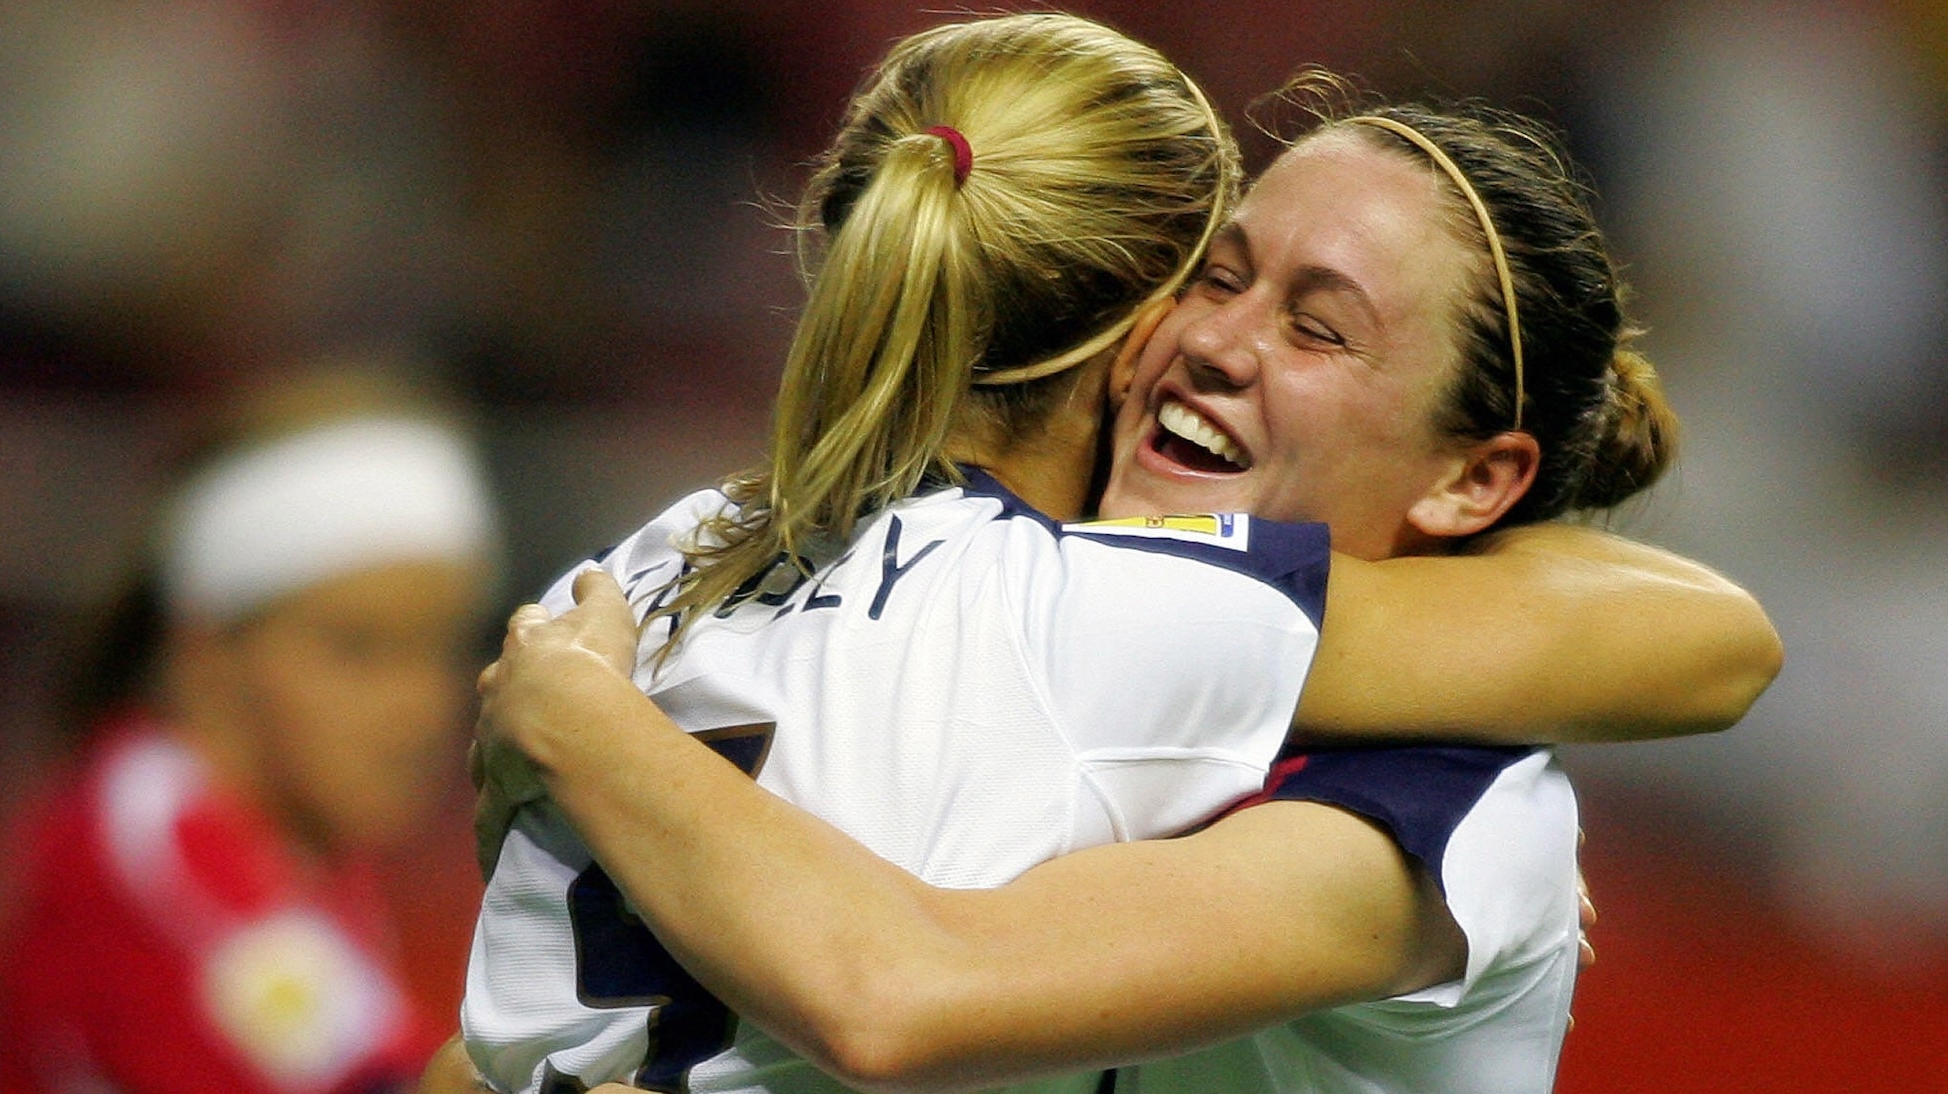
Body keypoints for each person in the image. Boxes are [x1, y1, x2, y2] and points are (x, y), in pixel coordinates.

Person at [451, 16, 1779, 1094]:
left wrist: (586, 722)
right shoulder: (1000, 616)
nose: (1214, 341)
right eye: (1214, 274)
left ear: (1477, 477)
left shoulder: (1440, 792)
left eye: (1318, 330)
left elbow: (901, 992)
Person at [0, 370, 505, 1094]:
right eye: (357, 649)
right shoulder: (159, 850)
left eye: (443, 647)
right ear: (205, 656)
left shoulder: (295, 845)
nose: (424, 706)